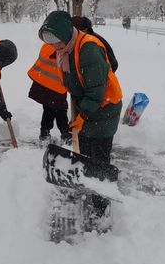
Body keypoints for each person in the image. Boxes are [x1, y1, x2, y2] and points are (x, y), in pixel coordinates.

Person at [38, 10, 123, 168]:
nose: (54, 46)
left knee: (98, 160)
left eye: (56, 41)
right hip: (87, 107)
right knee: (84, 155)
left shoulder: (88, 48)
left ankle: (99, 189)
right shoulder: (65, 49)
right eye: (49, 41)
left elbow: (96, 91)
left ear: (65, 34)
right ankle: (85, 182)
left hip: (104, 108)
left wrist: (83, 115)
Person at [27, 43, 71, 144]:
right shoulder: (66, 49)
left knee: (49, 108)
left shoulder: (47, 44)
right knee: (60, 110)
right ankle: (65, 135)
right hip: (56, 86)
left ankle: (45, 134)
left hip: (43, 82)